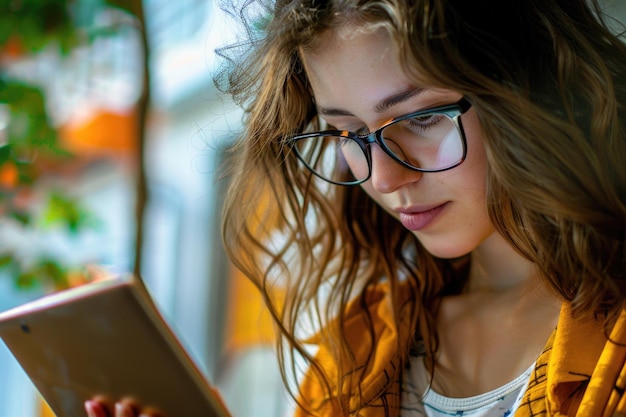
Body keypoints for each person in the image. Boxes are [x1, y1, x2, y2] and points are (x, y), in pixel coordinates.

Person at [86, 0, 626, 416]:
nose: (385, 176)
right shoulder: (358, 348)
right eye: (348, 132)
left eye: (422, 118)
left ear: (529, 88)